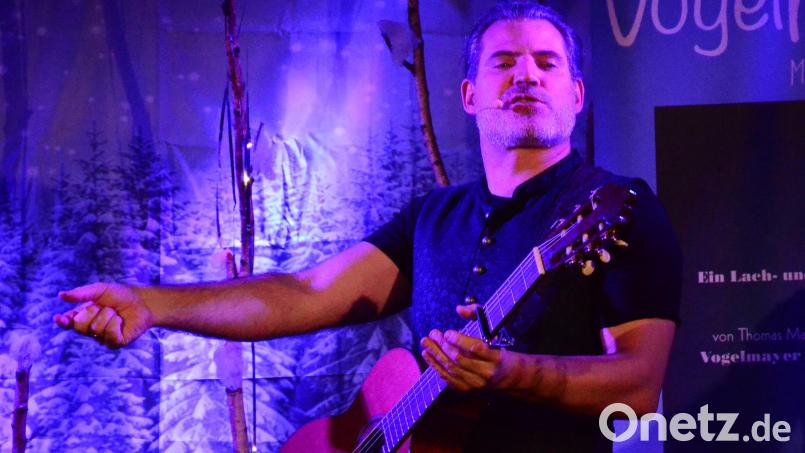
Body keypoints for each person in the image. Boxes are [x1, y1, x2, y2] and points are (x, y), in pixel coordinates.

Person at [55, 3, 682, 452]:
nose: (526, 75)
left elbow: (639, 386)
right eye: (505, 62)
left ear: (575, 93)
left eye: (546, 63)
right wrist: (152, 303)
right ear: (468, 95)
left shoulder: (613, 209)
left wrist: (505, 372)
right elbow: (304, 294)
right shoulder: (434, 217)